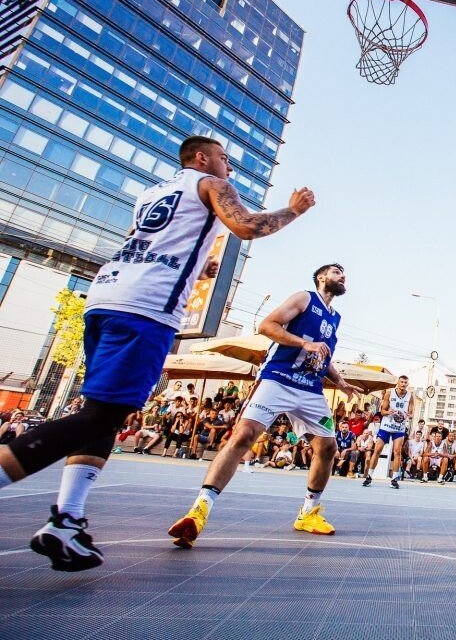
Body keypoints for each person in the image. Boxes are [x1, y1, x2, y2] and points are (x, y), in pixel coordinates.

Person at [0, 135, 316, 571]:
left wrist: (198, 265)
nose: (229, 168)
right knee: (99, 417)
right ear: (202, 158)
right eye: (224, 158)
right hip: (145, 309)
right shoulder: (211, 184)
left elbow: (145, 243)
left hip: (106, 298)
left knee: (103, 414)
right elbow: (247, 226)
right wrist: (294, 210)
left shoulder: (151, 195)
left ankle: (67, 520)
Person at [168, 264, 357, 548]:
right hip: (277, 379)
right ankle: (199, 511)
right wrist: (303, 344)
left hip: (310, 389)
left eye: (343, 274)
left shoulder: (335, 317)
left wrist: (340, 381)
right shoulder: (304, 298)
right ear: (321, 277)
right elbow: (267, 326)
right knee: (244, 435)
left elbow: (323, 355)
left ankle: (308, 513)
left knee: (328, 448)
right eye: (336, 272)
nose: (342, 276)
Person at [363, 375, 413, 489]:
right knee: (377, 450)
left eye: (405, 382)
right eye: (401, 382)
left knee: (397, 452)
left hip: (399, 427)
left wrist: (406, 415)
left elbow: (411, 412)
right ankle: (369, 476)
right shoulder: (389, 393)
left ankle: (394, 479)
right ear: (398, 383)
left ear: (407, 384)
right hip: (386, 425)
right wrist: (390, 412)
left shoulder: (410, 396)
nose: (403, 384)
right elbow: (382, 411)